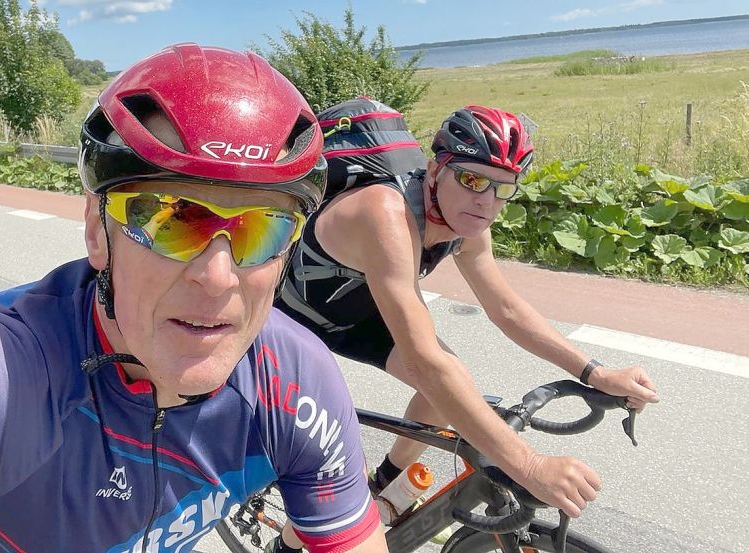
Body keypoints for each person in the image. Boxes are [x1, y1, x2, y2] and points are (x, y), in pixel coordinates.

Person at [0, 44, 388, 553]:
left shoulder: (294, 380)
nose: (219, 276)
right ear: (98, 230)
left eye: (262, 228)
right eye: (174, 220)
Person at [277, 102, 660, 522]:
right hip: (291, 316)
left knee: (451, 384)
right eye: (472, 179)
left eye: (504, 188)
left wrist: (594, 373)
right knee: (320, 460)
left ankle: (384, 484)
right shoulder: (384, 212)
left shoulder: (468, 219)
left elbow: (506, 308)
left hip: (361, 311)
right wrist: (529, 466)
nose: (486, 202)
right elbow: (423, 361)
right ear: (435, 170)